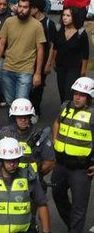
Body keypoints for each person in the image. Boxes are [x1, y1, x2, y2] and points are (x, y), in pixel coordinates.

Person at [0, 137, 50, 233]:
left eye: (15, 160)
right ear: (1, 160)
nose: (12, 164)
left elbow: (42, 205)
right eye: (8, 160)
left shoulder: (29, 178)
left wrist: (46, 231)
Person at [51, 76, 94, 233]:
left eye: (81, 95)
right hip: (61, 164)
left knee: (79, 206)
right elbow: (57, 122)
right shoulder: (66, 107)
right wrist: (55, 141)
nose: (77, 97)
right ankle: (73, 225)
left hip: (81, 169)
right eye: (75, 93)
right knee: (57, 194)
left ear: (89, 97)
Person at [0, 0, 46, 105]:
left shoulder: (37, 25)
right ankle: (12, 123)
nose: (21, 10)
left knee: (21, 103)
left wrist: (37, 73)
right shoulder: (9, 22)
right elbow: (1, 44)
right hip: (7, 68)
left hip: (26, 70)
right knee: (9, 102)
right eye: (20, 6)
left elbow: (40, 50)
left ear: (31, 9)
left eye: (25, 7)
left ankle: (21, 123)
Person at [0, 99, 55, 177]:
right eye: (19, 117)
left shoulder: (41, 137)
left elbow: (50, 163)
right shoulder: (4, 134)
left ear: (30, 116)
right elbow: (0, 160)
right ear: (14, 117)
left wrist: (35, 177)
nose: (23, 120)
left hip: (32, 182)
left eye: (26, 116)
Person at [49, 7, 89, 103]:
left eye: (68, 16)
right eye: (63, 15)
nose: (64, 18)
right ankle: (64, 113)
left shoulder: (81, 33)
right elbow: (55, 47)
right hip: (61, 66)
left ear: (74, 17)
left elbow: (85, 53)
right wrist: (52, 61)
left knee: (69, 94)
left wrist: (83, 70)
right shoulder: (59, 30)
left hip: (74, 68)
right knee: (62, 92)